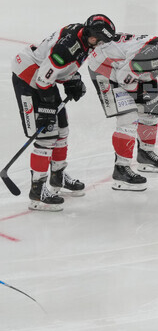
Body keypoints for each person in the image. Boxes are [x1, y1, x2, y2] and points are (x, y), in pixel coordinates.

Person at [11, 15, 117, 210]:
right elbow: (44, 78)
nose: (101, 43)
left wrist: (72, 79)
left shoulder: (83, 37)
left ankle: (57, 176)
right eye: (100, 39)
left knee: (62, 129)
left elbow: (60, 68)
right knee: (47, 134)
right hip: (29, 77)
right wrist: (47, 107)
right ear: (91, 35)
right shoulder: (67, 48)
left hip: (43, 78)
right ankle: (37, 190)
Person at [88, 33, 158, 191]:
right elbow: (123, 79)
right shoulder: (150, 55)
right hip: (105, 68)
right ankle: (121, 169)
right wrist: (150, 100)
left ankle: (146, 154)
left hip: (126, 68)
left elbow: (147, 74)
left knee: (151, 109)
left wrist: (156, 99)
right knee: (128, 116)